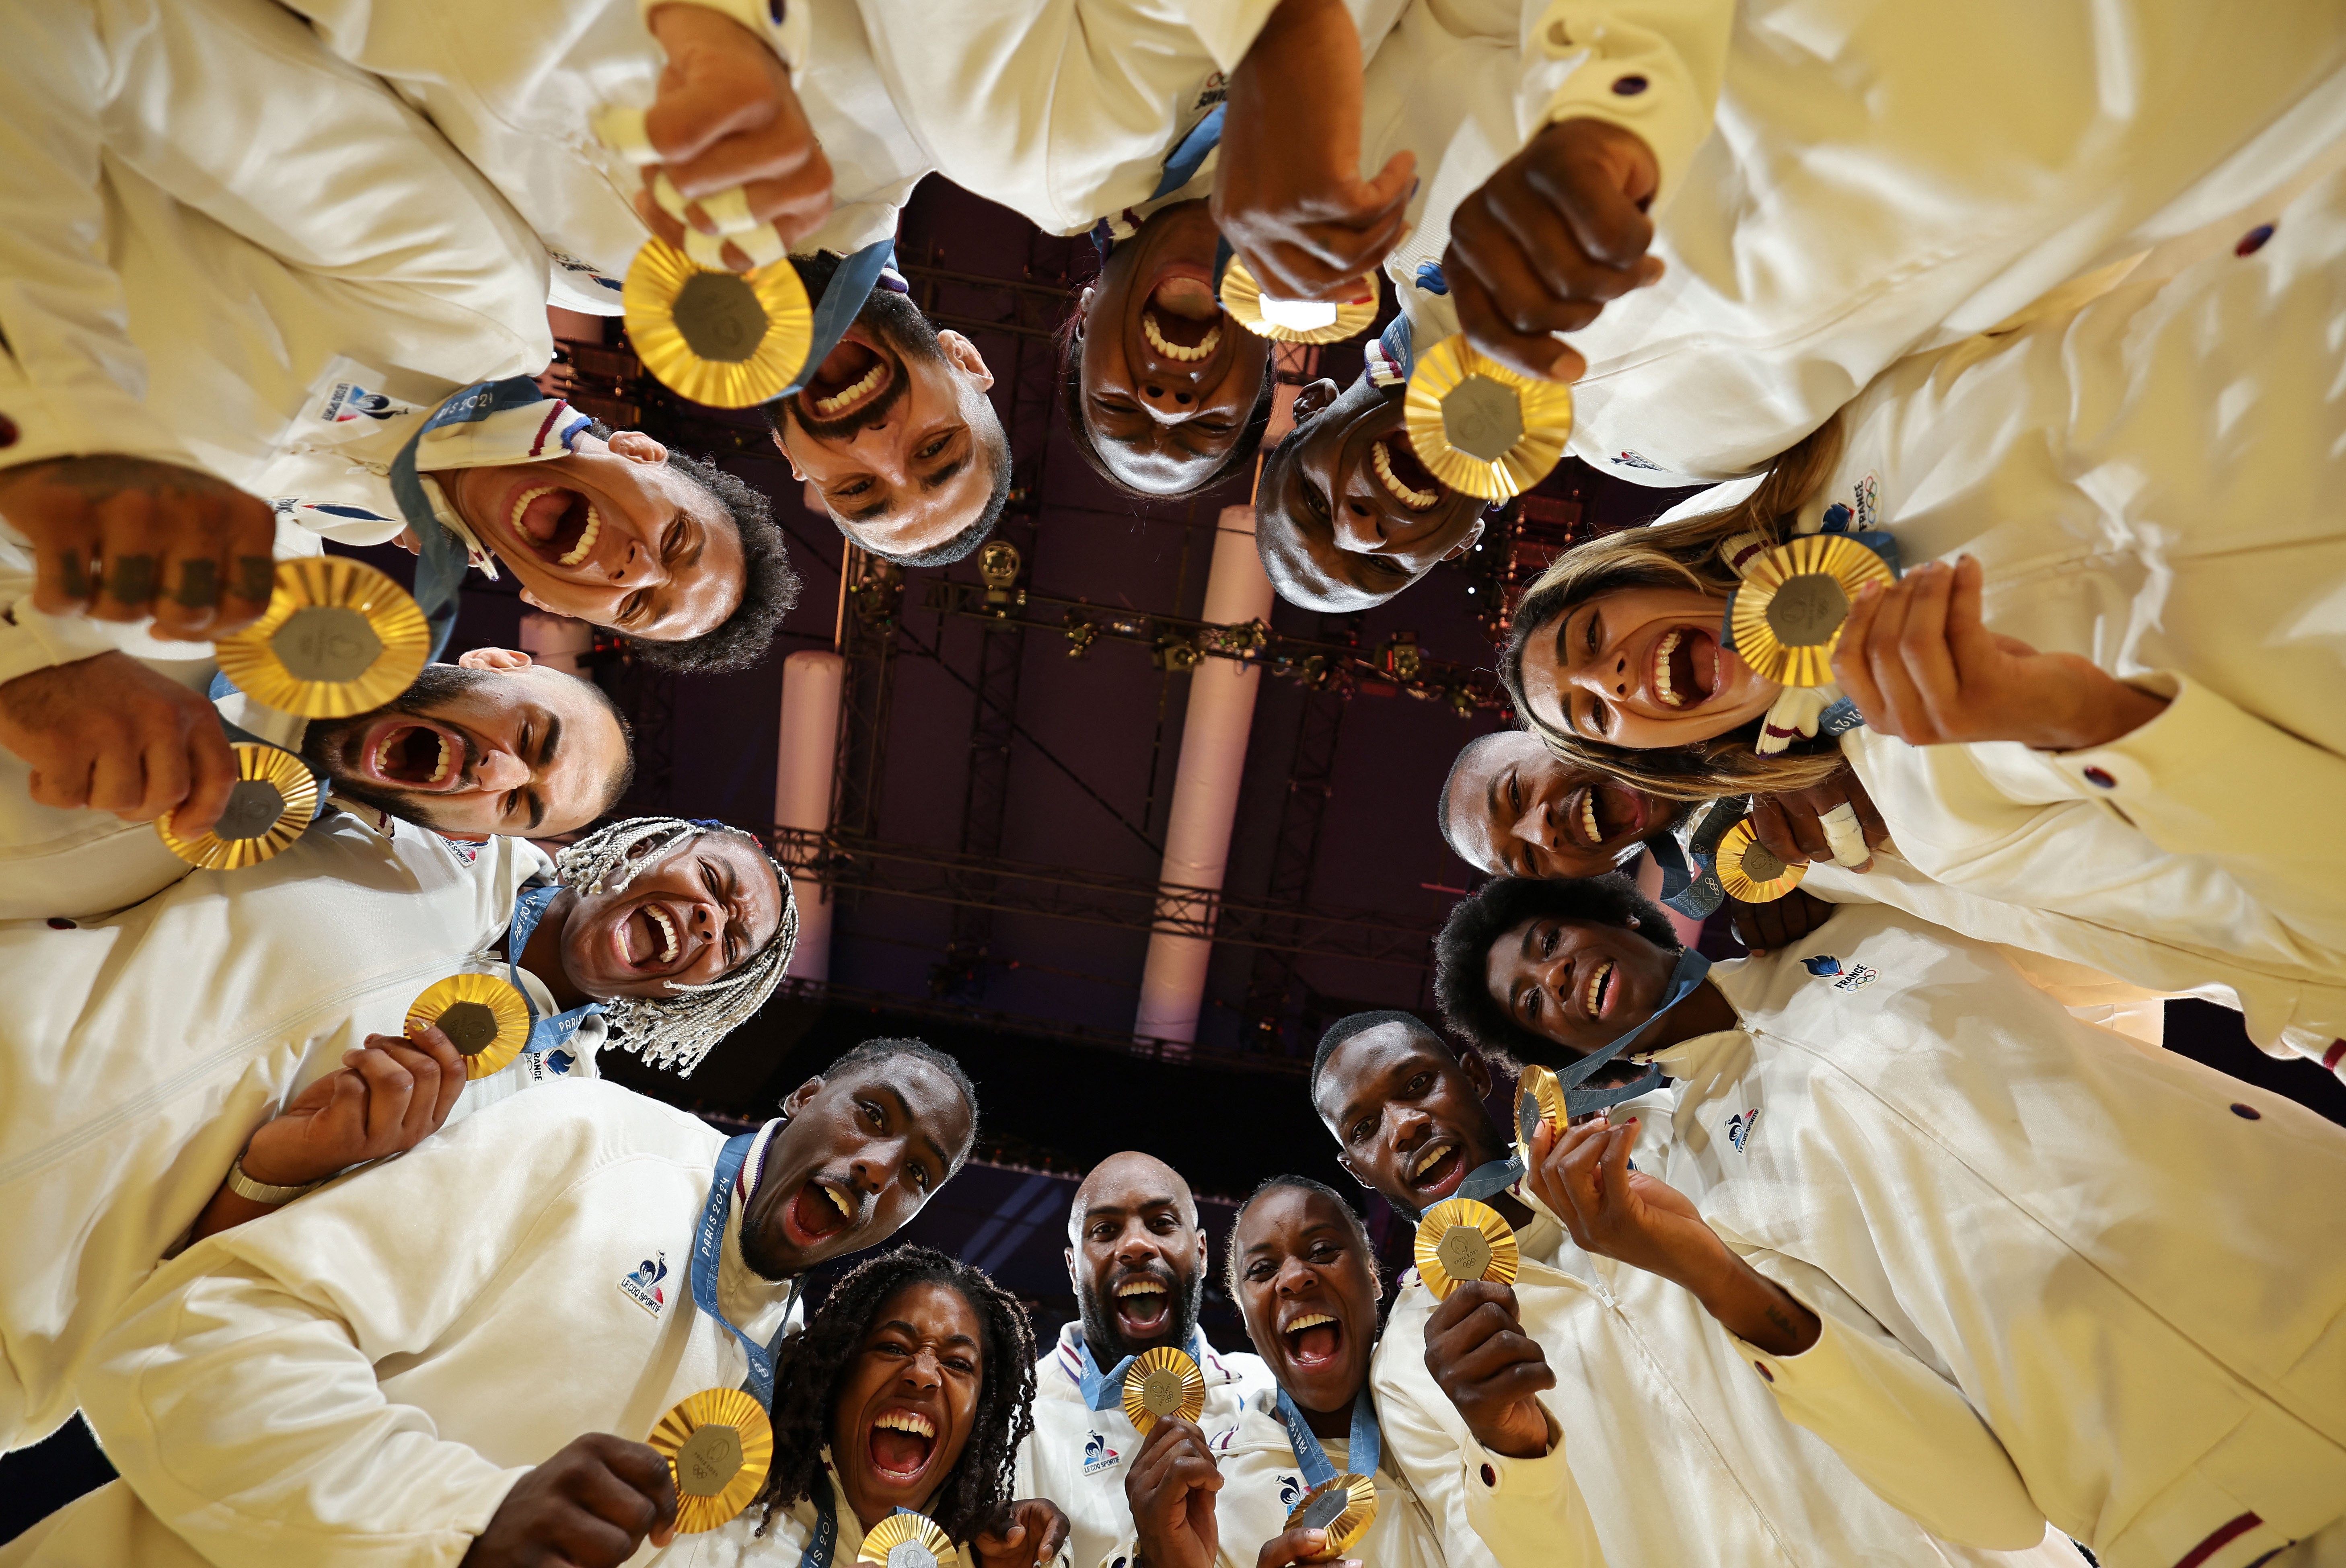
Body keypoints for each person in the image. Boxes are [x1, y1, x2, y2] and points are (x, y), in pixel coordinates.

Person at [1496, 161, 2346, 1069]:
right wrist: (2081, 721)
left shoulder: (1860, 420)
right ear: (1667, 755)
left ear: (1644, 572)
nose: (1608, 678)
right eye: (1594, 714)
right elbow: (2214, 921)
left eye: (1589, 638)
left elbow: (2085, 219)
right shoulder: (1925, 821)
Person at [1433, 875, 2346, 1567]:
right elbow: (1982, 1508)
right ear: (1560, 1056)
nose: (1551, 977)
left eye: (1548, 940)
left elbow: (2134, 961)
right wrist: (1700, 1268)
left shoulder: (1869, 914)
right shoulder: (1684, 1196)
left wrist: (1873, 867)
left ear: (1621, 919)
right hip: (2200, 1519)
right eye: (1530, 1003)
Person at [0, 1043, 980, 1566]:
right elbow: (210, 1324)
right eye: (873, 1115)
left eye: (918, 1175)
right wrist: (465, 1522)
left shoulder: (791, 1378)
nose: (877, 1167)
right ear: (805, 1095)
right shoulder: (596, 1136)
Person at [0, 812, 794, 1454]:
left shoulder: (551, 1130)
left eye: (726, 943)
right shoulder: (422, 835)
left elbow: (272, 1288)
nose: (704, 919)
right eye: (712, 883)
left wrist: (273, 1176)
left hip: (29, 1329)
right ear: (648, 846)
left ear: (701, 991)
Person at [1310, 1008, 2084, 1568]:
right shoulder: (1413, 1367)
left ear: (1474, 1075)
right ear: (1357, 1168)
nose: (1403, 1126)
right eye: (1365, 1127)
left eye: (1416, 1084)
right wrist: (1510, 1452)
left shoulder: (1666, 1143)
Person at [276, 0, 1014, 570]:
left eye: (856, 489)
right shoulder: (898, 110)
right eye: (933, 447)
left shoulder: (581, 290)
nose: (878, 447)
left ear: (799, 467)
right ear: (967, 362)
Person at [0, 0, 551, 649]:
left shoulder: (355, 521)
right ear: (640, 451)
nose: (634, 571)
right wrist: (81, 420)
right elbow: (83, 23)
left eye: (633, 608)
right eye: (679, 542)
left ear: (543, 600)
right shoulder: (486, 299)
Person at [0, 644, 634, 921]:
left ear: (468, 832)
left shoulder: (204, 867)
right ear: (495, 664)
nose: (496, 771)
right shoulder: (253, 561)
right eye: (527, 735)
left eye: (518, 803)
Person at [703, 1246, 1065, 1568]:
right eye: (893, 1347)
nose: (923, 1374)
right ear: (839, 1369)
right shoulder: (724, 1520)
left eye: (957, 1363)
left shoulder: (998, 1555)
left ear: (980, 1412)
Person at [1016, 1152, 1274, 1568]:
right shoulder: (1014, 1415)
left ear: (1203, 1251)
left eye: (1161, 1223)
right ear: (1072, 1266)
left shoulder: (1267, 1388)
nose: (1136, 1245)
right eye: (1104, 1229)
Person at [1201, 1175, 1449, 1568]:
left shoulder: (1452, 1399)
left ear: (1372, 1275)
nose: (1295, 1276)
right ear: (1245, 1318)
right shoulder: (1218, 1500)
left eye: (1321, 1249)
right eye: (1263, 1268)